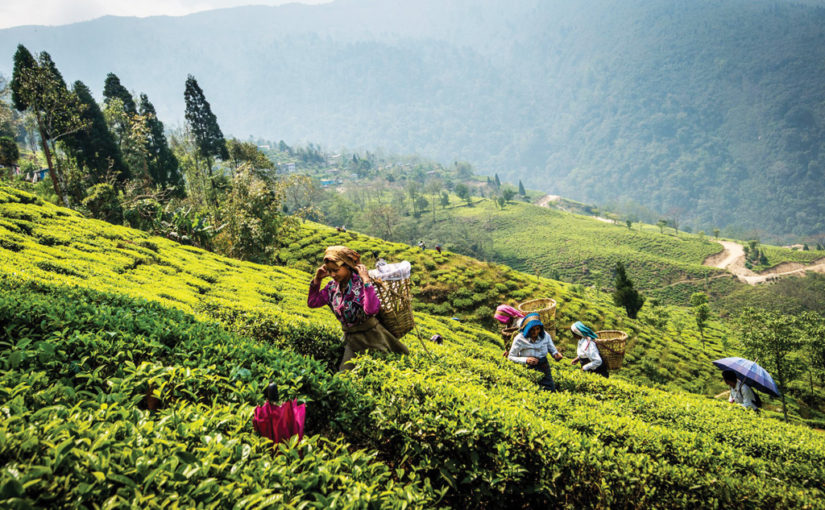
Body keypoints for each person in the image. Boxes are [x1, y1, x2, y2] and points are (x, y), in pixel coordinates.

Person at [307, 245, 409, 371]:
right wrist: (317, 279)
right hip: (352, 341)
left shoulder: (361, 284)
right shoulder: (332, 288)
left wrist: (366, 281)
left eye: (336, 270)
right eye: (329, 271)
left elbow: (371, 310)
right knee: (344, 376)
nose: (332, 274)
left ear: (348, 266)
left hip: (373, 338)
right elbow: (312, 302)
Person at [508, 313, 563, 391]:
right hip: (527, 367)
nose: (535, 332)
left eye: (537, 329)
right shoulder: (519, 339)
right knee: (531, 390)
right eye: (532, 329)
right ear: (527, 328)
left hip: (543, 366)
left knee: (549, 389)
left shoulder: (545, 336)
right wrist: (526, 360)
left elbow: (553, 350)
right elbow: (511, 357)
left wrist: (556, 355)